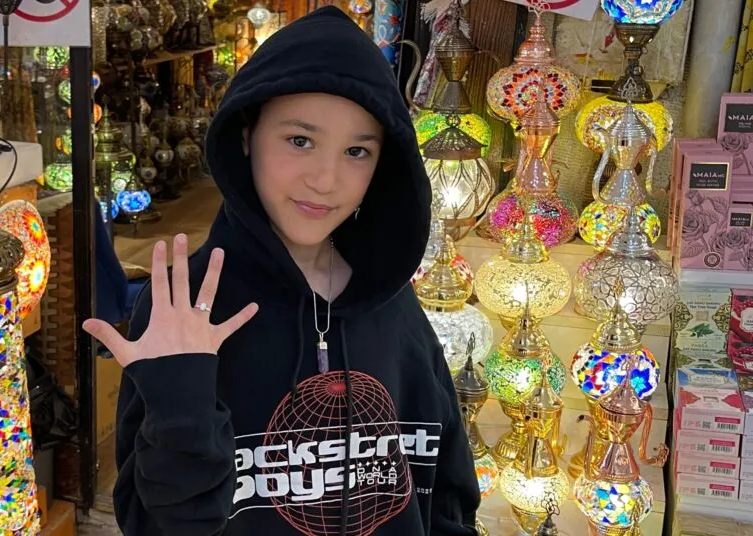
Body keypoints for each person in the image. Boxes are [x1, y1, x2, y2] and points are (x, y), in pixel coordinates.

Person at [82, 6, 481, 536]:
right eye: (299, 140)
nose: (325, 179)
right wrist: (181, 406)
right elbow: (155, 524)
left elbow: (445, 487)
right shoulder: (187, 305)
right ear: (247, 136)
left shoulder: (391, 302)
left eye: (357, 151)